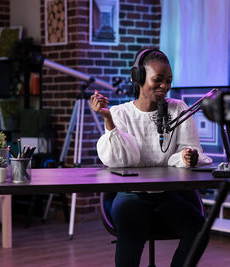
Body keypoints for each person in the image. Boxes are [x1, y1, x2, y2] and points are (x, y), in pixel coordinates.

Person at [90, 47, 213, 267]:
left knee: (199, 230)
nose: (164, 86)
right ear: (138, 78)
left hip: (168, 195)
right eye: (158, 79)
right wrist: (109, 122)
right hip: (131, 195)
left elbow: (185, 150)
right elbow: (122, 160)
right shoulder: (120, 113)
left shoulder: (178, 109)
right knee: (132, 232)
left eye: (168, 80)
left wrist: (186, 156)